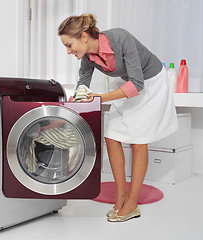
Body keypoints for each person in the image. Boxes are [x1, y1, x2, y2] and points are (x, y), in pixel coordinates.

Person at [58, 13, 178, 222]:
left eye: (69, 45)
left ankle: (132, 203)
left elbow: (138, 84)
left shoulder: (121, 38)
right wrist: (68, 109)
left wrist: (102, 98)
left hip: (150, 83)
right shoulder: (87, 57)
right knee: (112, 136)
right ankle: (121, 194)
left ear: (84, 36)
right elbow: (83, 84)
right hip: (126, 85)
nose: (68, 51)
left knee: (138, 142)